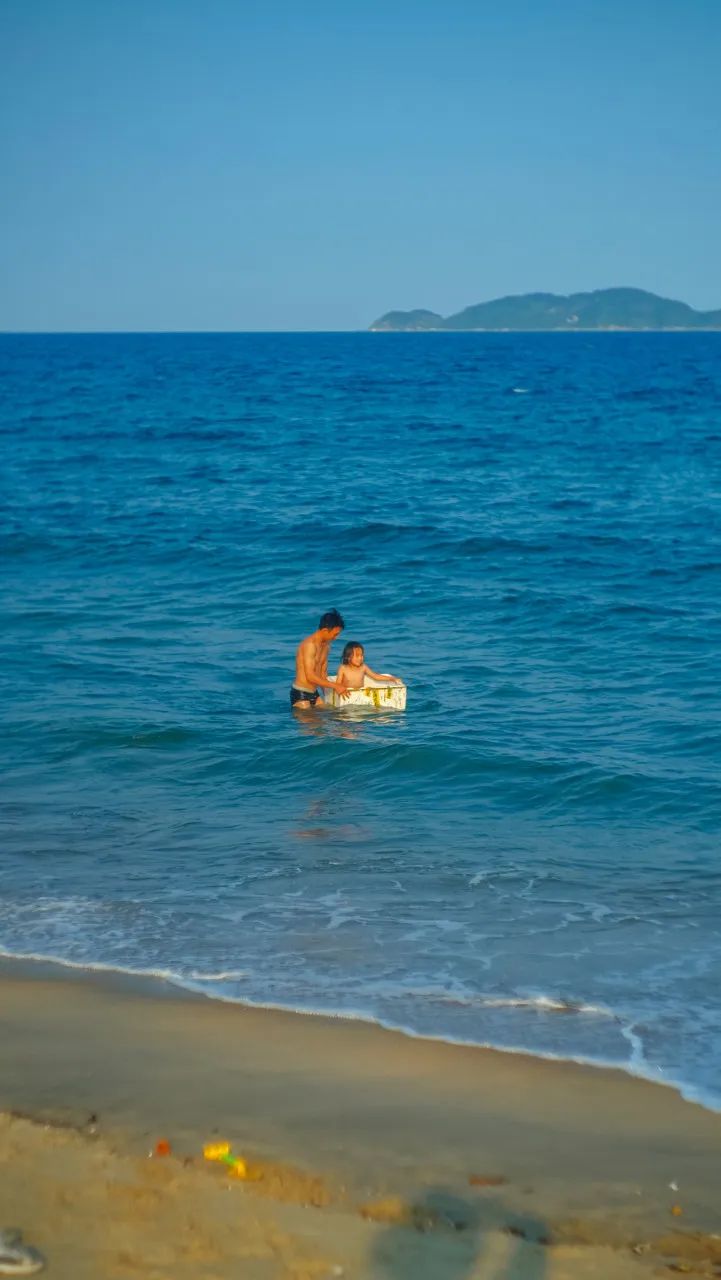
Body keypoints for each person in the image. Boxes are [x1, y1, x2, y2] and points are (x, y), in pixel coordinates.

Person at [290, 609, 349, 709]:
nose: (336, 638)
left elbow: (323, 674)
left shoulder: (326, 646)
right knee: (312, 721)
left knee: (331, 715)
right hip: (301, 693)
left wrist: (335, 689)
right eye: (335, 634)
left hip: (314, 693)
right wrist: (335, 686)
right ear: (325, 630)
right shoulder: (310, 645)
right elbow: (310, 676)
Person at [335, 641, 401, 691]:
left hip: (360, 694)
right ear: (348, 657)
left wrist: (391, 678)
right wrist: (340, 690)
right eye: (357, 656)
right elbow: (338, 683)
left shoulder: (363, 667)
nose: (360, 658)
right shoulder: (343, 668)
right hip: (347, 694)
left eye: (362, 655)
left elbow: (375, 676)